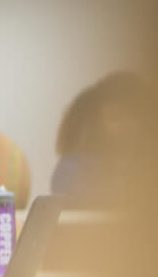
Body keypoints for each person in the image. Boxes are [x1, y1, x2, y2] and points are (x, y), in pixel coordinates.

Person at [52, 71, 151, 201]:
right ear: (95, 124)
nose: (128, 124)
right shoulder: (73, 167)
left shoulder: (147, 163)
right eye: (115, 116)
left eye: (136, 115)